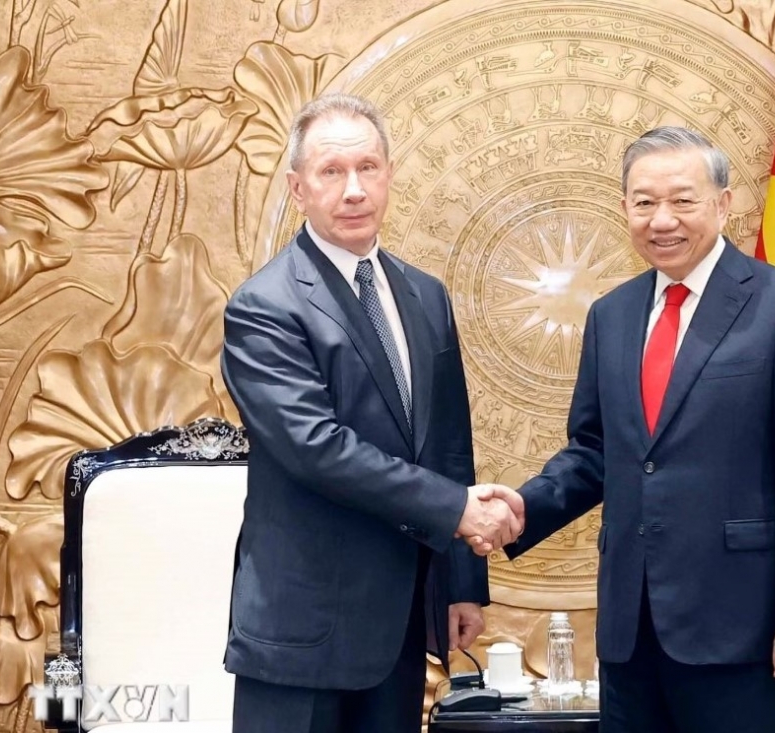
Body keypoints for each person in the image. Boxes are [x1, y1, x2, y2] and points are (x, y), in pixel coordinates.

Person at [478, 126, 775, 733]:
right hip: (630, 628)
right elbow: (595, 452)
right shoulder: (612, 315)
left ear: (724, 204)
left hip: (740, 628)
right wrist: (523, 507)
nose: (661, 219)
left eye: (683, 200)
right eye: (644, 202)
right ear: (624, 208)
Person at [220, 93, 520, 733]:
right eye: (332, 172)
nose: (354, 189)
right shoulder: (265, 307)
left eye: (369, 168)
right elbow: (315, 447)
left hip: (401, 626)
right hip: (300, 630)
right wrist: (458, 510)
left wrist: (461, 580)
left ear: (389, 176)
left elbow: (447, 445)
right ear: (298, 188)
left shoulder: (424, 294)